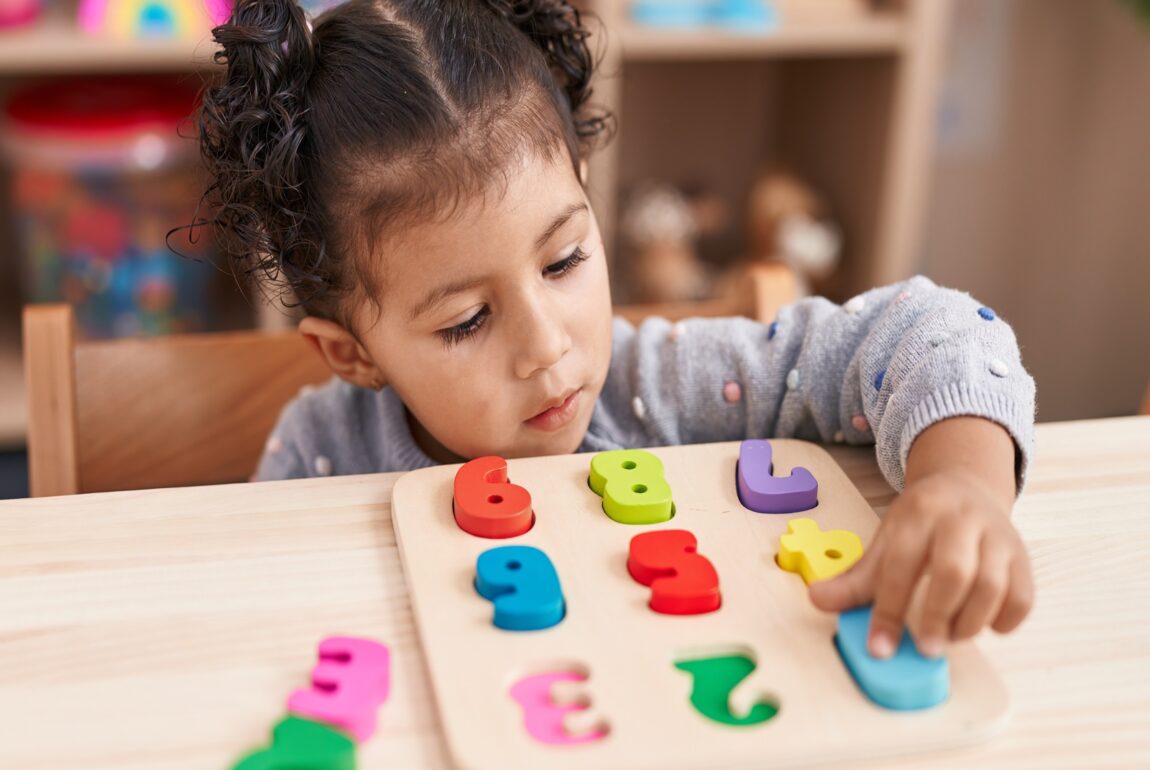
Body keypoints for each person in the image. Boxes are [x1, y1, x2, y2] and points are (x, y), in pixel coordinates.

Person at [195, 0, 1036, 662]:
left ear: (587, 191)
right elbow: (269, 643)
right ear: (352, 354)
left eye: (563, 261)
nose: (548, 347)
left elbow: (932, 329)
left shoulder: (663, 387)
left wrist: (960, 487)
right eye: (468, 320)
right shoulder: (318, 455)